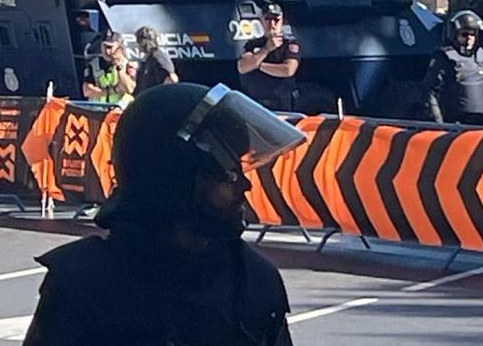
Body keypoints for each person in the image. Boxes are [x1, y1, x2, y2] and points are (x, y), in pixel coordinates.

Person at [25, 83, 304, 346]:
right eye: (227, 175)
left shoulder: (253, 280)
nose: (244, 185)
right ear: (172, 179)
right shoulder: (85, 282)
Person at [423, 10, 483, 126]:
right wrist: (439, 122)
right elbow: (430, 91)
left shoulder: (481, 55)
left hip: (480, 123)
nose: (469, 39)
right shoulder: (444, 56)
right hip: (453, 122)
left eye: (472, 35)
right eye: (464, 35)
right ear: (455, 34)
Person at [237, 4, 301, 111]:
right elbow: (242, 67)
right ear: (261, 21)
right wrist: (266, 49)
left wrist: (258, 65)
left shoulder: (289, 44)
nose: (272, 24)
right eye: (268, 19)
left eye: (276, 20)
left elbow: (288, 70)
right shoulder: (252, 45)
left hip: (281, 105)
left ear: (282, 21)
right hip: (255, 105)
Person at [83, 32, 136, 106]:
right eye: (104, 46)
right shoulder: (93, 64)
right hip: (97, 110)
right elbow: (87, 91)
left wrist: (120, 68)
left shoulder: (128, 64)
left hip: (121, 109)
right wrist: (112, 91)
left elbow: (129, 89)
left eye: (110, 47)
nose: (107, 51)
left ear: (119, 48)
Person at [132, 25, 178, 95]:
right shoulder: (147, 60)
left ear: (144, 43)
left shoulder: (158, 57)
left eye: (138, 42)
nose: (137, 46)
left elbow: (172, 79)